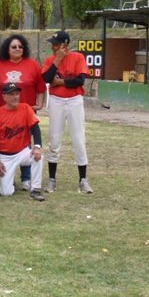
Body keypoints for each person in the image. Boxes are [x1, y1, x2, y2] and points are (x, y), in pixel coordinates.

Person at [41, 30, 93, 194]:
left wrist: (61, 81)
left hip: (74, 100)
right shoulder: (51, 60)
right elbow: (47, 79)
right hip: (56, 100)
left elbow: (80, 80)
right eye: (53, 44)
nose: (53, 47)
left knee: (79, 138)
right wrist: (57, 59)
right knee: (54, 139)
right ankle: (51, 180)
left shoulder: (77, 57)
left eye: (56, 44)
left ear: (65, 44)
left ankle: (83, 180)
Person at [0, 33, 47, 191]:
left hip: (26, 110)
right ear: (7, 49)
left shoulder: (32, 64)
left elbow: (40, 86)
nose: (17, 49)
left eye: (20, 46)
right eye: (14, 47)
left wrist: (39, 104)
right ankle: (5, 172)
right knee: (7, 140)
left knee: (25, 142)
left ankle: (26, 177)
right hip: (3, 111)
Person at [0, 83, 45, 201]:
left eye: (17, 94)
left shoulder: (25, 108)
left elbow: (35, 128)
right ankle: (9, 181)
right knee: (6, 193)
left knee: (38, 156)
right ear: (4, 97)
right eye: (11, 94)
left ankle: (35, 189)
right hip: (5, 156)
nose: (15, 97)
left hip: (22, 152)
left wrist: (37, 146)